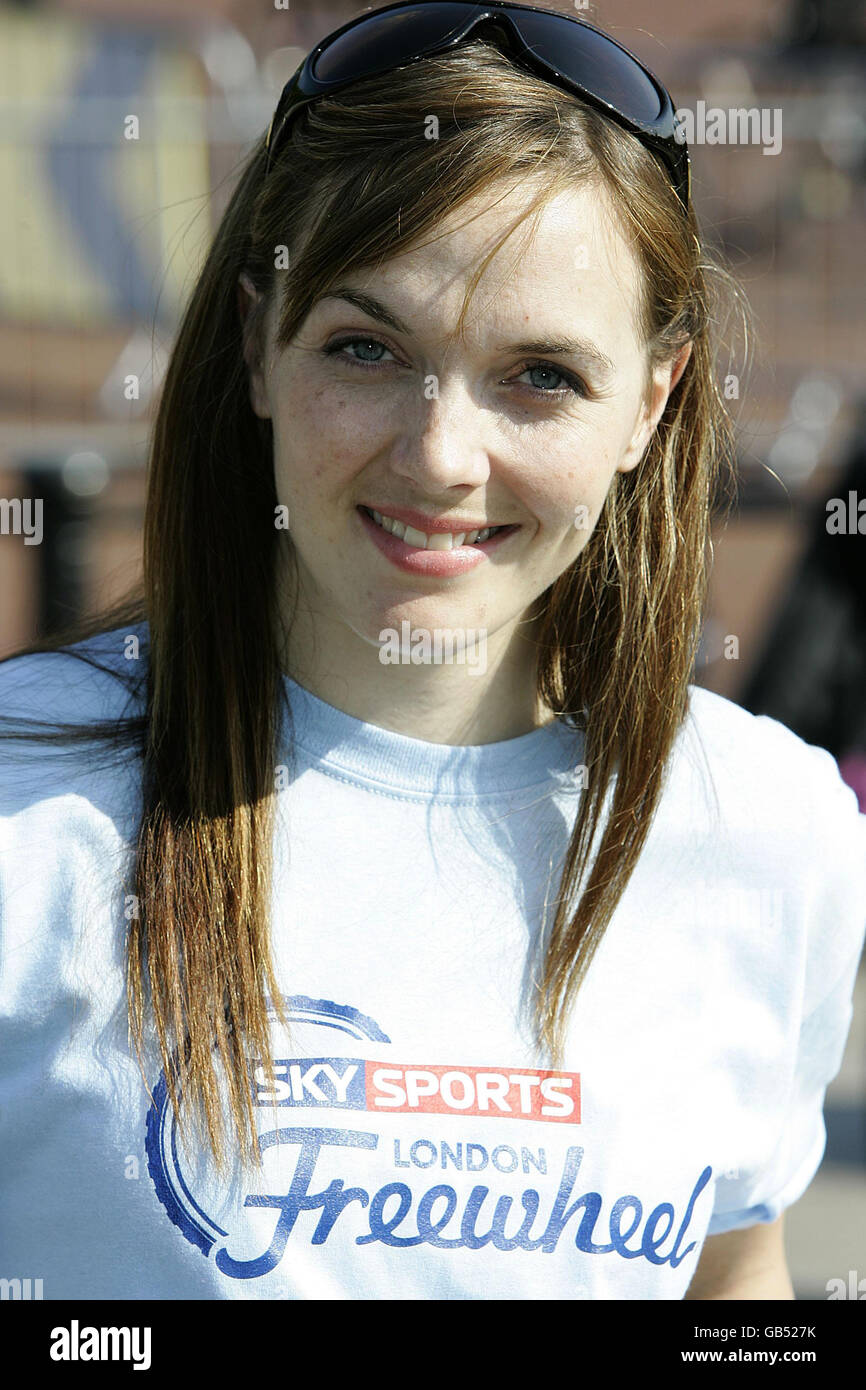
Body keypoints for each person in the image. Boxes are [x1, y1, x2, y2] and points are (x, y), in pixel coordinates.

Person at [1, 0, 864, 1302]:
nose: (440, 457)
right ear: (254, 344)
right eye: (366, 347)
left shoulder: (769, 827)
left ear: (653, 398)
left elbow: (733, 1279)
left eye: (539, 376)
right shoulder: (29, 811)